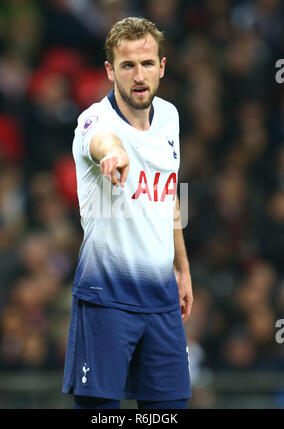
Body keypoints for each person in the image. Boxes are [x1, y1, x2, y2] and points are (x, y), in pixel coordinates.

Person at [62, 17, 193, 410]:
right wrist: (113, 155)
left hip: (162, 299)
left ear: (162, 66)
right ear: (109, 70)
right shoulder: (92, 120)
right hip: (107, 297)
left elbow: (169, 194)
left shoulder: (169, 117)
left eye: (147, 64)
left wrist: (182, 268)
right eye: (128, 65)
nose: (139, 75)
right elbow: (105, 142)